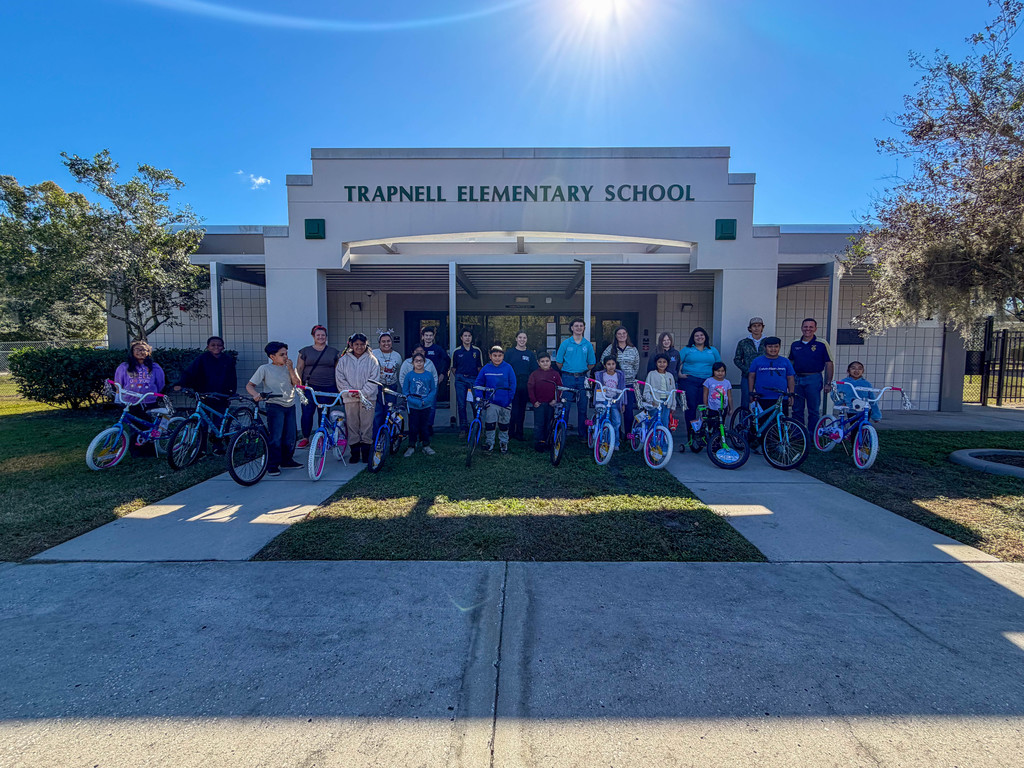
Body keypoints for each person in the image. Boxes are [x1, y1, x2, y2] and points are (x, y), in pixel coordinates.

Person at [246, 341, 303, 476]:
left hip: (289, 403)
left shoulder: (289, 368)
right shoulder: (264, 369)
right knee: (276, 436)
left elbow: (298, 384)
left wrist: (290, 369)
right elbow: (250, 385)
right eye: (281, 354)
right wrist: (255, 395)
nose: (285, 357)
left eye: (286, 354)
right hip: (274, 404)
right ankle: (273, 464)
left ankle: (287, 460)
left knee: (290, 435)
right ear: (272, 356)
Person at [114, 341, 167, 456]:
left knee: (150, 426)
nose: (141, 352)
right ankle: (136, 450)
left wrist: (153, 393)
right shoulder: (124, 367)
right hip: (131, 402)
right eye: (138, 349)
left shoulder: (154, 367)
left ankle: (151, 449)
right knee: (135, 427)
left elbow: (160, 383)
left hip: (149, 401)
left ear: (149, 352)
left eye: (144, 350)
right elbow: (119, 383)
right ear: (132, 352)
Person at [335, 332, 380, 464]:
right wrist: (350, 392)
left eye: (362, 344)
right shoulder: (343, 360)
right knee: (352, 424)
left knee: (367, 425)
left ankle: (366, 452)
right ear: (351, 345)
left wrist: (363, 393)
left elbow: (374, 379)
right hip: (350, 398)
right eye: (356, 344)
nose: (359, 347)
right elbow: (340, 378)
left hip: (368, 398)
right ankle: (354, 453)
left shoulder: (372, 360)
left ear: (366, 345)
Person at [295, 325, 341, 449]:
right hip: (310, 387)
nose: (321, 337)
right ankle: (305, 437)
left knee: (324, 413)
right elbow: (299, 368)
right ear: (313, 337)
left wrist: (339, 386)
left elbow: (338, 370)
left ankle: (322, 437)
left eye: (323, 335)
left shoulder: (333, 352)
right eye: (318, 335)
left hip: (328, 386)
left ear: (326, 337)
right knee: (307, 413)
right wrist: (299, 385)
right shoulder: (304, 351)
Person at [554, 318, 596, 439]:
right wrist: (569, 370)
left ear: (584, 328)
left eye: (581, 326)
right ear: (572, 328)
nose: (578, 328)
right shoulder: (565, 343)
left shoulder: (587, 345)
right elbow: (559, 362)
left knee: (582, 407)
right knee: (565, 407)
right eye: (576, 326)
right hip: (567, 378)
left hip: (582, 378)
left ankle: (582, 434)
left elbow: (591, 363)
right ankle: (562, 434)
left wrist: (581, 370)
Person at [788, 318, 833, 430]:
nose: (808, 329)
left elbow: (829, 363)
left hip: (814, 378)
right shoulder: (795, 343)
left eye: (811, 327)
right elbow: (790, 363)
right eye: (805, 327)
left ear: (815, 329)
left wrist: (828, 382)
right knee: (797, 409)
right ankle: (798, 434)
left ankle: (813, 435)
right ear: (802, 328)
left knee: (813, 410)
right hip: (797, 378)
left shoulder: (822, 344)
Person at [677, 327, 722, 436]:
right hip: (690, 381)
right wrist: (679, 374)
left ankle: (706, 432)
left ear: (705, 337)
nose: (699, 337)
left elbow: (719, 365)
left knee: (707, 407)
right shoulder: (687, 349)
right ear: (693, 338)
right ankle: (691, 433)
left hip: (708, 382)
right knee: (691, 407)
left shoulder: (712, 350)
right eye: (696, 336)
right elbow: (676, 363)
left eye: (701, 335)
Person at [747, 337, 796, 433]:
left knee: (781, 423)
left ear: (779, 347)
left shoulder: (785, 361)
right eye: (770, 347)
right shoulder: (757, 361)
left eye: (776, 346)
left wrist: (791, 394)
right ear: (765, 347)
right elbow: (751, 377)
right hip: (762, 397)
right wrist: (751, 392)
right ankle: (760, 442)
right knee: (762, 422)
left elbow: (790, 378)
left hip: (781, 398)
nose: (773, 349)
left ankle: (778, 443)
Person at [474, 345, 516, 454]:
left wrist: (510, 398)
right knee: (490, 424)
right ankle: (489, 443)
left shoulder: (508, 368)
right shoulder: (486, 368)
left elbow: (513, 384)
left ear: (503, 356)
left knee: (504, 424)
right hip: (491, 402)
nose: (497, 358)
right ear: (490, 356)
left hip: (505, 402)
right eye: (495, 355)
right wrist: (481, 398)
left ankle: (503, 443)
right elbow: (478, 384)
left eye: (500, 356)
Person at [600, 326, 639, 437]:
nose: (622, 335)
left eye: (624, 333)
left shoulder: (633, 349)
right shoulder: (610, 348)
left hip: (628, 383)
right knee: (614, 409)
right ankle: (615, 434)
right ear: (616, 336)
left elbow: (636, 365)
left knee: (628, 410)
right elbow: (603, 360)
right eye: (619, 334)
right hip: (614, 384)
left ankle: (628, 433)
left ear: (627, 335)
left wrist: (630, 376)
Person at [403, 352, 437, 456]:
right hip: (413, 406)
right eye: (416, 361)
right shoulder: (409, 375)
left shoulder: (428, 375)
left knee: (425, 426)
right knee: (413, 426)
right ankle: (411, 446)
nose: (419, 363)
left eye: (421, 361)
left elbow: (433, 390)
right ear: (413, 363)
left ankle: (426, 445)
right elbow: (406, 392)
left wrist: (425, 401)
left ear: (424, 362)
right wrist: (415, 402)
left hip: (425, 405)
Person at [451, 329, 484, 437]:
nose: (467, 338)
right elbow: (453, 368)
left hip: (474, 379)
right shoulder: (457, 351)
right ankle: (463, 428)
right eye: (465, 335)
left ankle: (477, 426)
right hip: (460, 380)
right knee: (461, 405)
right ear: (461, 337)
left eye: (469, 335)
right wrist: (461, 377)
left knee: (476, 403)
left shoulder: (477, 351)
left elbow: (480, 367)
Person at [371, 330, 403, 438]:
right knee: (377, 412)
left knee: (389, 412)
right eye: (383, 341)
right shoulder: (373, 353)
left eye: (388, 341)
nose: (386, 344)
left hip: (391, 386)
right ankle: (376, 436)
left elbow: (399, 371)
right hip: (377, 386)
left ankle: (389, 436)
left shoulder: (397, 355)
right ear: (379, 342)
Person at [507, 331, 538, 441]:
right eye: (520, 337)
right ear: (516, 339)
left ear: (526, 339)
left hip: (525, 386)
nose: (522, 340)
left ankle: (520, 433)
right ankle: (510, 432)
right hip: (513, 385)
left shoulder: (530, 354)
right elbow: (505, 368)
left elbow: (534, 370)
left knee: (521, 410)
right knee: (513, 410)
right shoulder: (510, 353)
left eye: (524, 338)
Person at [528, 352, 562, 452]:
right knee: (539, 424)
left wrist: (556, 399)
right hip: (539, 404)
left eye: (547, 361)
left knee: (549, 423)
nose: (545, 363)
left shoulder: (555, 374)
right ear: (538, 363)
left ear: (550, 362)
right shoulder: (534, 374)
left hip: (551, 404)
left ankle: (548, 441)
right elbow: (530, 388)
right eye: (542, 361)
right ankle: (539, 442)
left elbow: (559, 388)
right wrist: (534, 401)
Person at [420, 327, 450, 435]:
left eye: (430, 335)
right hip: (419, 381)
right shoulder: (419, 349)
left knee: (432, 405)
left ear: (433, 336)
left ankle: (429, 426)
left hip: (433, 380)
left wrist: (442, 374)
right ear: (423, 336)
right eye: (426, 335)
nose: (428, 337)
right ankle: (420, 427)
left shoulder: (438, 349)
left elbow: (446, 360)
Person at [733, 317, 767, 411]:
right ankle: (744, 424)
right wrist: (746, 370)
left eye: (759, 326)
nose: (756, 328)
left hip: (763, 376)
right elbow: (737, 359)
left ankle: (760, 424)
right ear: (750, 328)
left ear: (762, 327)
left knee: (763, 400)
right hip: (747, 376)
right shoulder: (743, 342)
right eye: (754, 326)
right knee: (746, 401)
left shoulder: (767, 342)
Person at [643, 353, 677, 427]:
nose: (662, 364)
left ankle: (663, 438)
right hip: (654, 402)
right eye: (659, 362)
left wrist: (673, 405)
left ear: (667, 364)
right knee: (653, 422)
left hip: (666, 403)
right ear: (656, 363)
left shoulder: (670, 375)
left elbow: (673, 392)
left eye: (664, 362)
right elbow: (646, 390)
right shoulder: (651, 374)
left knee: (665, 422)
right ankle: (652, 437)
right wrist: (650, 401)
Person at [594, 356, 625, 434]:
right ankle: (600, 438)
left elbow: (623, 390)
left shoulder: (619, 375)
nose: (611, 366)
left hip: (615, 400)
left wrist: (623, 403)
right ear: (605, 365)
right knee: (602, 418)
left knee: (617, 421)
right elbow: (597, 390)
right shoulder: (601, 375)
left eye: (613, 364)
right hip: (604, 400)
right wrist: (597, 403)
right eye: (608, 364)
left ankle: (615, 442)